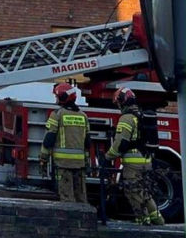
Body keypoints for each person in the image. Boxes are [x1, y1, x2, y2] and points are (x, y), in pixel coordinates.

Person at [105, 86, 165, 226]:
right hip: (146, 160)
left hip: (133, 163)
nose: (118, 106)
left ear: (122, 102)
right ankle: (158, 220)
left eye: (118, 103)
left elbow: (121, 143)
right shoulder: (141, 115)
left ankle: (143, 222)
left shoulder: (126, 118)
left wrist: (108, 157)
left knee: (132, 192)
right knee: (144, 192)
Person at [39, 82, 91, 203]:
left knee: (67, 198)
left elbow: (48, 140)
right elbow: (87, 143)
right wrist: (86, 162)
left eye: (57, 96)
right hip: (80, 165)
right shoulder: (83, 116)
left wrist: (43, 159)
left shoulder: (57, 115)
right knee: (81, 197)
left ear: (63, 97)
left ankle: (71, 221)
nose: (56, 99)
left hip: (63, 164)